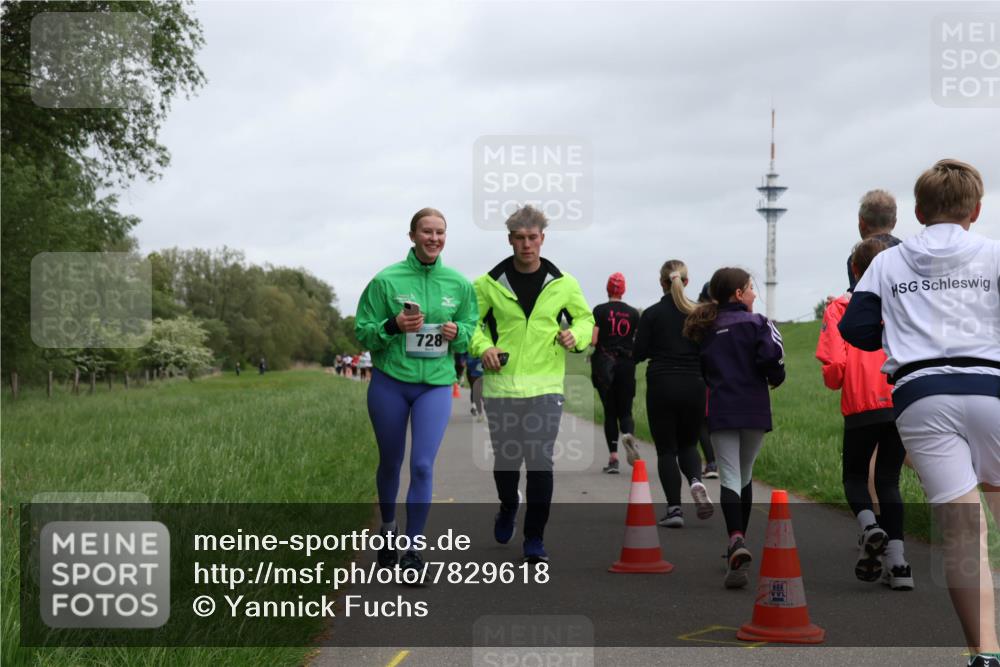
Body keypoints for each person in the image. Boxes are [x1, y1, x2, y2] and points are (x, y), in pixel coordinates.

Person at [840, 159, 1000, 667]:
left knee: (961, 533)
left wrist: (904, 328)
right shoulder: (993, 253)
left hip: (920, 395)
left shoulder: (888, 262)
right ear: (975, 210)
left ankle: (986, 653)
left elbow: (856, 330)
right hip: (991, 388)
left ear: (917, 211)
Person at [355, 207, 478, 575]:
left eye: (440, 232)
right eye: (427, 232)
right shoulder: (386, 280)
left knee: (422, 466)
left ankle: (413, 550)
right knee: (391, 462)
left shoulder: (459, 284)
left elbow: (471, 328)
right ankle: (390, 529)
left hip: (436, 385)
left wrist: (460, 334)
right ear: (412, 236)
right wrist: (393, 325)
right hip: (390, 382)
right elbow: (362, 332)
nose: (434, 238)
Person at [470, 205, 594, 564]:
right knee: (508, 461)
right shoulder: (488, 284)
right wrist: (484, 347)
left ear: (543, 238)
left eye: (533, 237)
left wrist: (577, 335)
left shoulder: (563, 283)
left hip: (545, 388)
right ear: (510, 240)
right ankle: (508, 506)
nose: (527, 244)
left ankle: (534, 538)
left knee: (540, 461)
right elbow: (470, 326)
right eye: (520, 238)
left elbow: (585, 319)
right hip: (501, 387)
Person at [817, 237, 912, 589]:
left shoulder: (840, 307)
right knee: (889, 480)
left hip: (860, 404)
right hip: (899, 399)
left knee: (855, 477)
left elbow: (835, 369)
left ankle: (870, 527)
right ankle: (900, 566)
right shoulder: (904, 301)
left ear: (855, 270)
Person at [684, 268, 785, 589]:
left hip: (722, 409)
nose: (754, 293)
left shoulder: (707, 328)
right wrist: (775, 378)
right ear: (739, 294)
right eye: (751, 288)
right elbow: (774, 358)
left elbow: (701, 368)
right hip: (754, 407)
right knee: (745, 474)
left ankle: (735, 539)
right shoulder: (759, 323)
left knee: (729, 475)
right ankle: (738, 542)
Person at [634, 260, 713, 526]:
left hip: (662, 383)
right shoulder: (700, 313)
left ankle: (674, 510)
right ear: (687, 282)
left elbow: (639, 352)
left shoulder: (652, 314)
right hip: (694, 383)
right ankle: (695, 480)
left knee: (667, 449)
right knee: (689, 444)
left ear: (662, 283)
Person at [590, 272, 641, 474]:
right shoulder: (634, 314)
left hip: (605, 365)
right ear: (624, 290)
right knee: (625, 410)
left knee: (610, 412)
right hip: (626, 365)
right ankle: (628, 434)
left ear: (607, 289)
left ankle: (613, 458)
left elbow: (594, 340)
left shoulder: (599, 311)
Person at [846, 190, 902, 291]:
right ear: (894, 222)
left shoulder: (858, 257)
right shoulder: (904, 250)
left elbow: (857, 296)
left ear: (861, 223)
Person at [695, 281, 719, 479]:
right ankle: (718, 461)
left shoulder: (697, 317)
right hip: (720, 374)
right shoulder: (722, 316)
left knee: (702, 422)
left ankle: (711, 463)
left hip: (701, 373)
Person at [465, 353, 485, 421]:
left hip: (485, 375)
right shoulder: (471, 352)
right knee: (476, 393)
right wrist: (477, 359)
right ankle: (480, 413)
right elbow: (469, 364)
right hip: (475, 375)